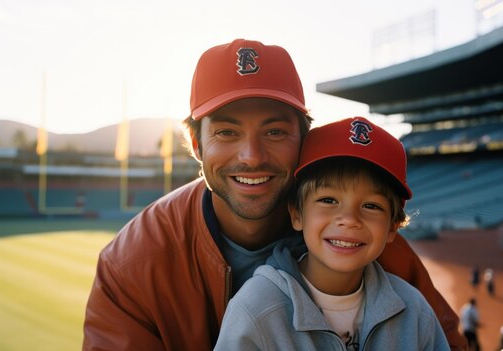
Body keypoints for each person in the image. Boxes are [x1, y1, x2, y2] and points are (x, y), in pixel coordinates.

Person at [82, 38, 465, 350]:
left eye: (275, 132)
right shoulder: (133, 263)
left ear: (303, 142)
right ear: (197, 146)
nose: (252, 156)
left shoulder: (352, 233)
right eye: (227, 132)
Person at [214, 117, 450, 350]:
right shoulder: (256, 309)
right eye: (328, 200)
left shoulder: (414, 310)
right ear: (297, 214)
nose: (348, 219)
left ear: (392, 227)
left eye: (371, 206)